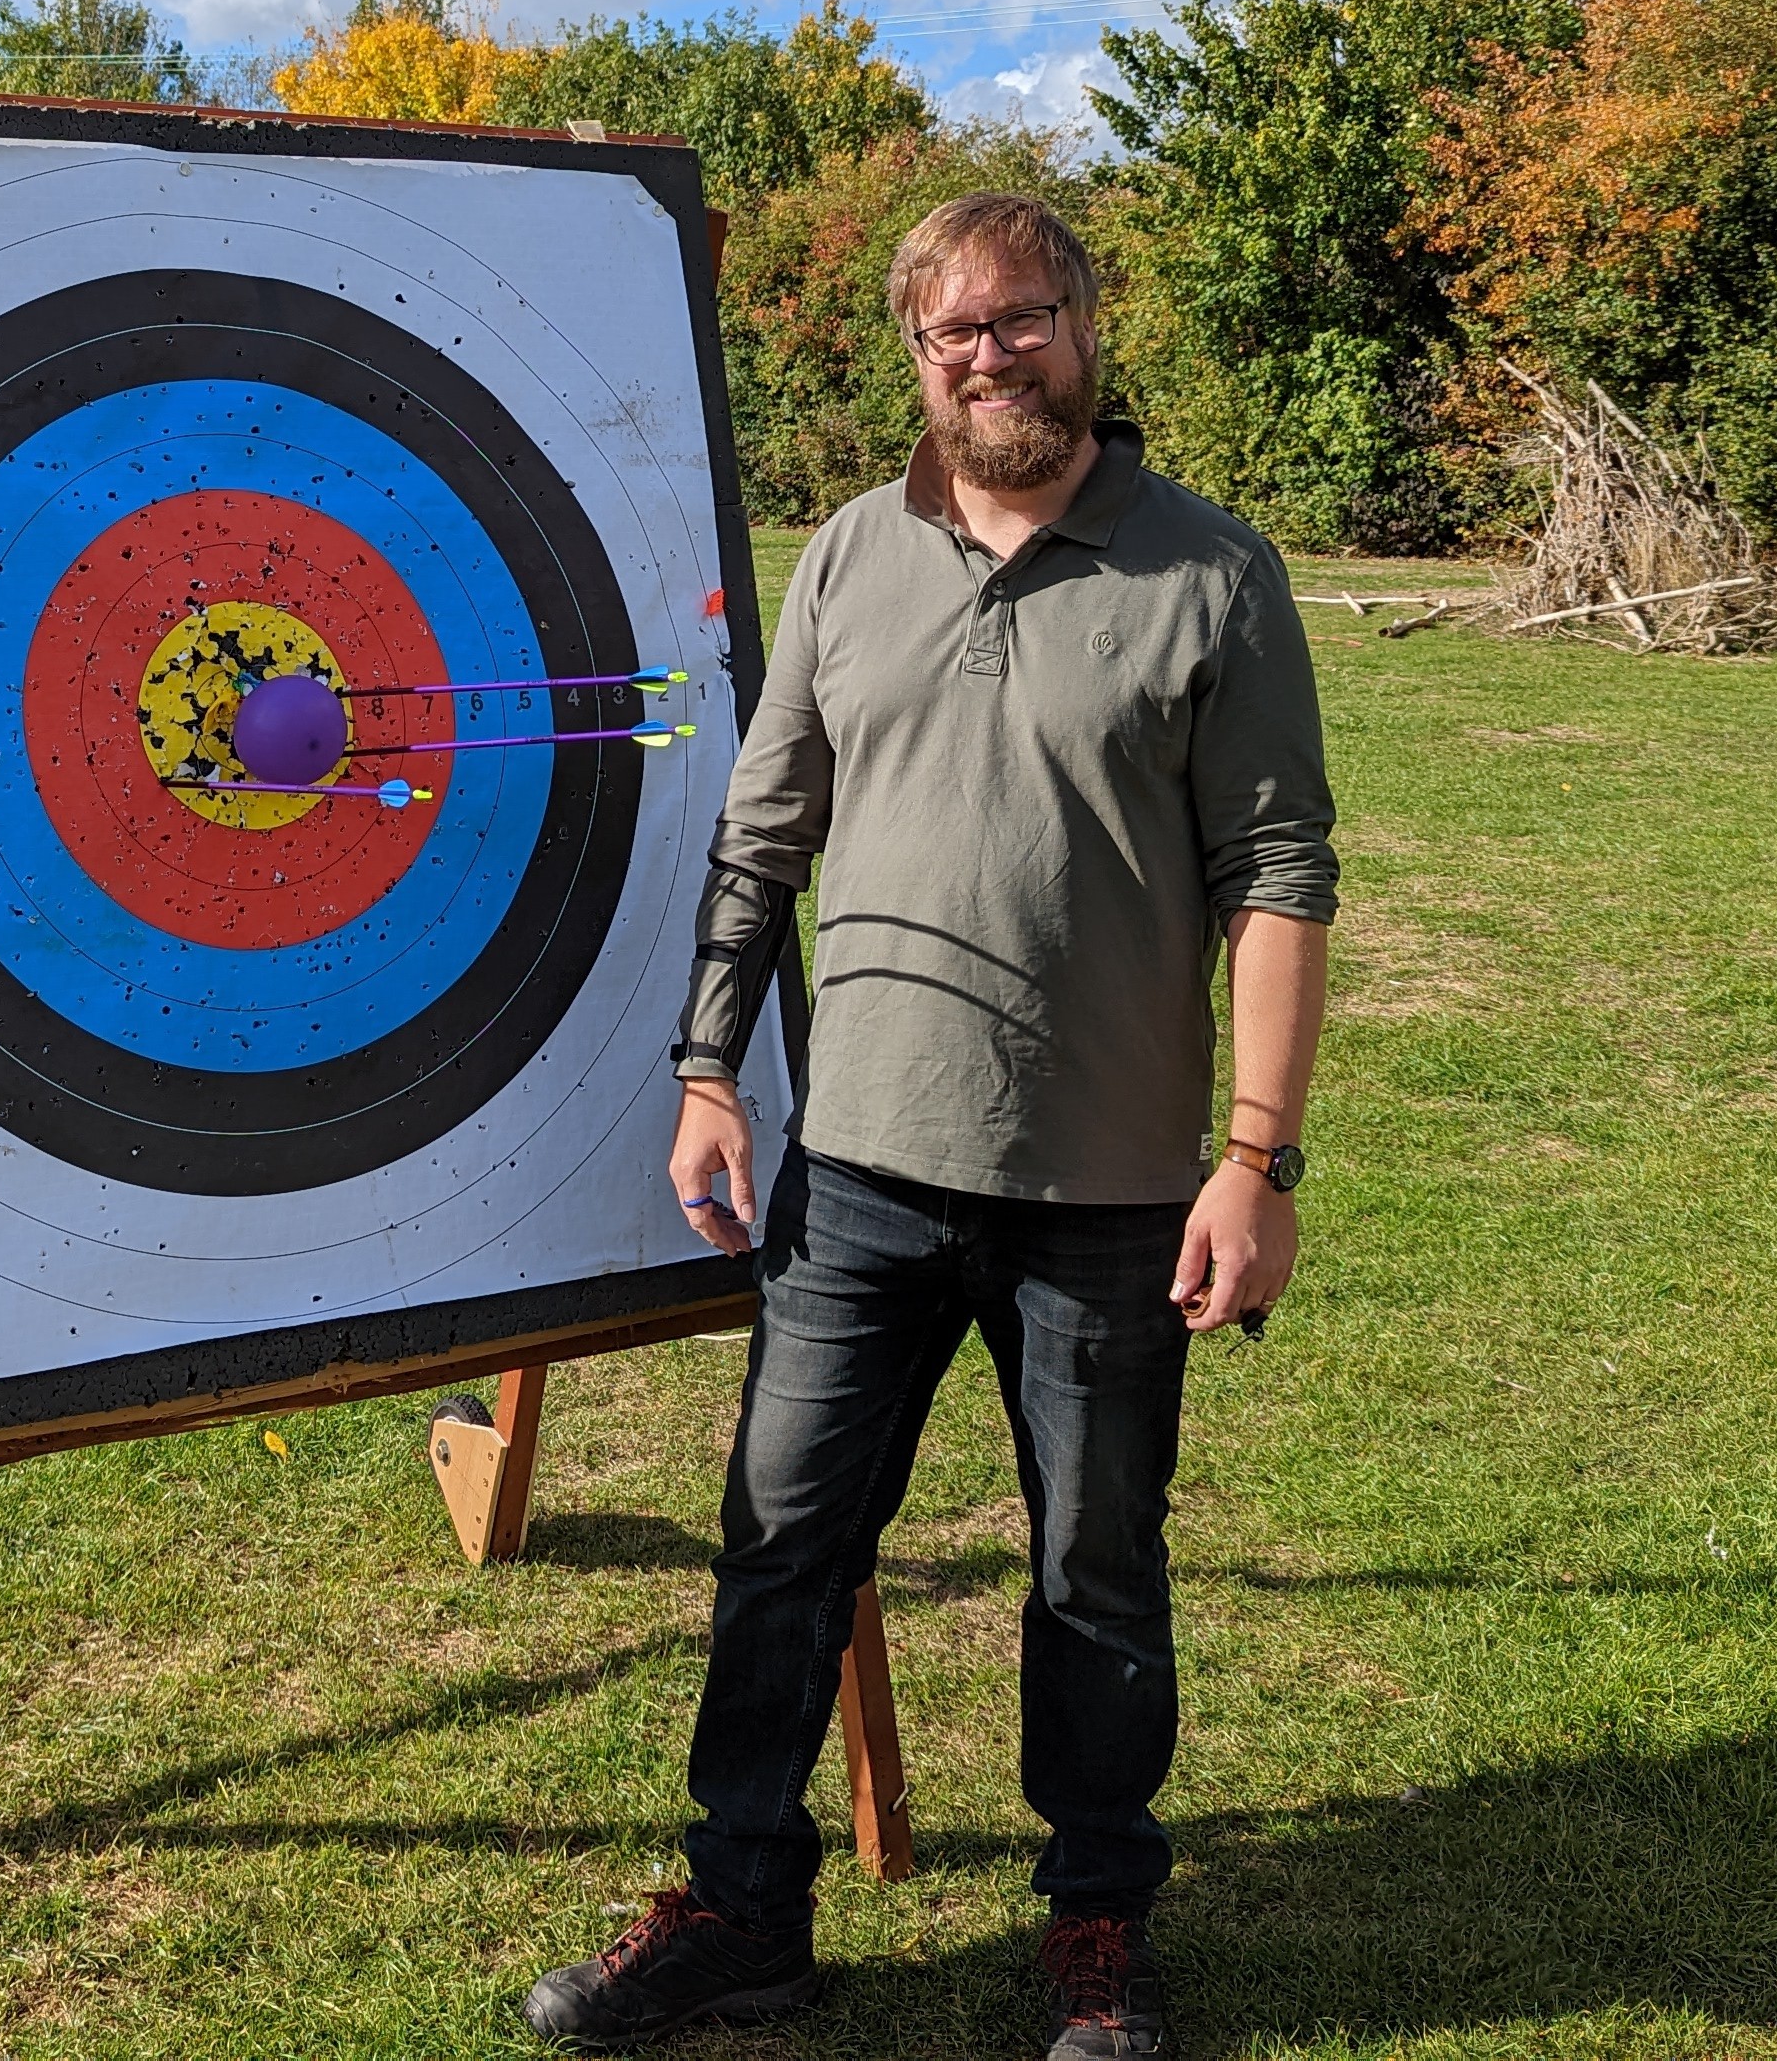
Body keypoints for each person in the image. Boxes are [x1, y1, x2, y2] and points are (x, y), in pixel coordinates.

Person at [523, 192, 1338, 2060]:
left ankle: (1099, 1929)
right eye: (953, 331)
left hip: (1112, 1197)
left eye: (1023, 317)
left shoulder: (1212, 572)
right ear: (915, 353)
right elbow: (766, 832)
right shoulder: (848, 553)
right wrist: (709, 1069)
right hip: (861, 1181)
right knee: (779, 1547)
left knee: (1094, 1572)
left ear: (1087, 322)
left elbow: (1280, 877)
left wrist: (1256, 1161)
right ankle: (743, 1911)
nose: (992, 357)